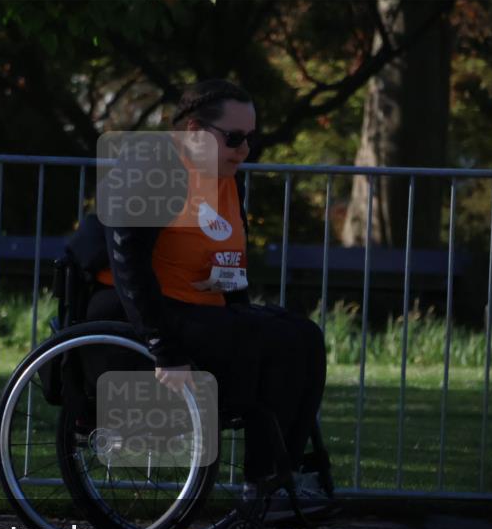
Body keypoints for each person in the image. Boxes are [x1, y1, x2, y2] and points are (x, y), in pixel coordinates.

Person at [86, 79, 328, 505]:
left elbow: (230, 269)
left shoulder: (225, 180)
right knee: (271, 341)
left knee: (303, 336)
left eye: (252, 138)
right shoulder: (154, 168)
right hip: (138, 312)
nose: (245, 149)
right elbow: (128, 263)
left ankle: (279, 472)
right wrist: (162, 348)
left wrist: (244, 314)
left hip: (195, 308)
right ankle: (265, 480)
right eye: (234, 138)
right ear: (195, 130)